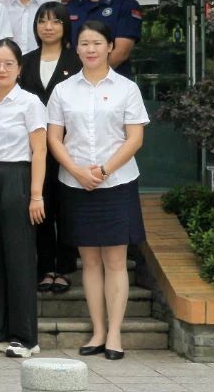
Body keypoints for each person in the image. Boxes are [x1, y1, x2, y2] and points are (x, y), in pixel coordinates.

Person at [47, 20, 148, 361]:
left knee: (116, 261)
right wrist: (77, 171)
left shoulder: (126, 89)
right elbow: (54, 138)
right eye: (84, 43)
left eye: (97, 43)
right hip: (76, 183)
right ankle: (98, 331)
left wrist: (104, 170)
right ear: (76, 48)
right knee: (89, 261)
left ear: (109, 47)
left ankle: (115, 334)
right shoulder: (63, 90)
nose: (90, 49)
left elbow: (135, 138)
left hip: (116, 182)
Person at [0, 39, 47, 358]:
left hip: (18, 176)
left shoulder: (30, 103)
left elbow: (40, 150)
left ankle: (24, 337)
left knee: (18, 256)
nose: (1, 69)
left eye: (8, 64)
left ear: (19, 68)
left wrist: (36, 195)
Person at [19, 2, 81, 294]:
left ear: (65, 26)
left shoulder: (76, 60)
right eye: (42, 21)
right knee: (40, 207)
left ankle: (64, 267)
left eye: (55, 21)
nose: (48, 26)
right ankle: (45, 268)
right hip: (33, 147)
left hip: (69, 146)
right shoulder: (25, 61)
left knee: (66, 208)